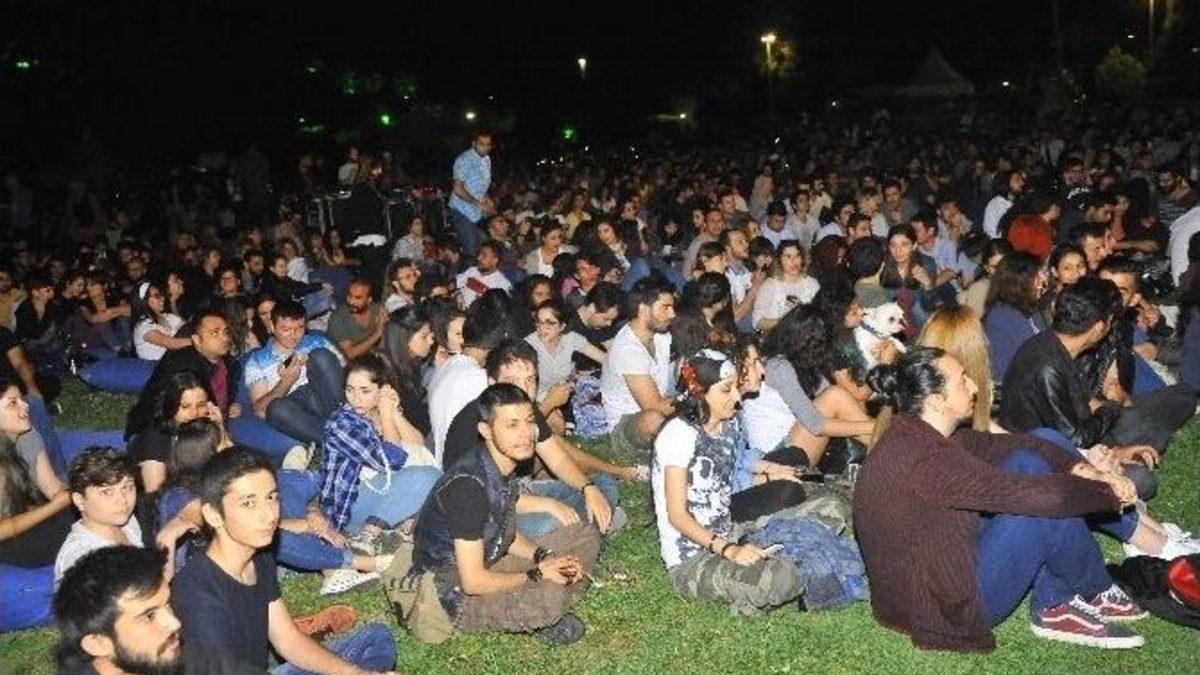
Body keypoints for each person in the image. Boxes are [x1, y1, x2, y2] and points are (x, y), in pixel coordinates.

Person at [857, 347, 1146, 651]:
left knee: (1028, 460)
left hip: (929, 575)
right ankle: (1088, 593)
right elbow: (1035, 496)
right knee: (1040, 508)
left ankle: (1062, 598)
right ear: (936, 401)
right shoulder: (929, 461)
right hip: (942, 610)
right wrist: (1108, 493)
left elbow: (1014, 445)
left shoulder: (917, 433)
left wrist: (1085, 470)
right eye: (962, 380)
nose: (974, 386)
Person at [171, 449, 398, 673]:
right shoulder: (197, 593)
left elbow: (287, 639)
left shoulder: (258, 556)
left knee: (377, 637)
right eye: (249, 503)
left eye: (271, 497)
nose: (269, 515)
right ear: (213, 515)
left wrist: (355, 673)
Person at [408, 383, 600, 644]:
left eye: (529, 422)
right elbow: (472, 582)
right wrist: (537, 574)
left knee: (585, 534)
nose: (525, 434)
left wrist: (544, 556)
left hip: (489, 561)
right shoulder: (468, 486)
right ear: (486, 431)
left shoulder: (502, 467)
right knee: (547, 596)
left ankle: (557, 588)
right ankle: (549, 604)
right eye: (512, 425)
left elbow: (504, 534)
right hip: (453, 594)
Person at [652, 349, 804, 611]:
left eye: (735, 387)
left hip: (730, 529)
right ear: (700, 392)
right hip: (691, 559)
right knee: (783, 578)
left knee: (830, 508)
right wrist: (729, 550)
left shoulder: (730, 423)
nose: (737, 397)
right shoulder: (679, 434)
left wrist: (774, 472)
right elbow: (677, 516)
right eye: (726, 389)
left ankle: (776, 561)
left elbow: (738, 467)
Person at [998, 278, 1176, 499]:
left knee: (1157, 434)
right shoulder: (1047, 368)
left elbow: (1082, 403)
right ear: (1099, 328)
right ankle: (1118, 465)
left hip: (1074, 431)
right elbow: (1076, 440)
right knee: (1142, 481)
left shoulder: (1056, 343)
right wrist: (1112, 406)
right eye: (1109, 321)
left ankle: (1121, 456)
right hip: (1044, 457)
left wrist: (1114, 448)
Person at [442, 340, 625, 539]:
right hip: (485, 510)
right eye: (513, 380)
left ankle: (588, 522)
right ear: (492, 382)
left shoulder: (525, 408)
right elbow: (484, 495)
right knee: (548, 522)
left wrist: (588, 488)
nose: (524, 388)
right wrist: (550, 505)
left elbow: (558, 460)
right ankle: (592, 522)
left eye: (530, 380)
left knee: (603, 483)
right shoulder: (475, 423)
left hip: (521, 490)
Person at [55, 546, 266, 675]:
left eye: (168, 604)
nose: (174, 623)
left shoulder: (173, 654)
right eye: (150, 616)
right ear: (98, 643)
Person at [321, 354, 441, 550]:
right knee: (428, 477)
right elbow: (391, 461)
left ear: (382, 389)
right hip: (348, 507)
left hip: (379, 492)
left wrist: (393, 411)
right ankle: (368, 535)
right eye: (350, 390)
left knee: (431, 475)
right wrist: (386, 413)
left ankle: (397, 527)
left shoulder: (377, 410)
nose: (356, 398)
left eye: (365, 391)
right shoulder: (341, 423)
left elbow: (418, 445)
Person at [759, 305, 874, 468]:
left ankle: (888, 449)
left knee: (839, 396)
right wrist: (873, 426)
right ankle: (890, 449)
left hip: (794, 438)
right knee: (835, 396)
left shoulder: (799, 361)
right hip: (776, 455)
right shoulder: (778, 367)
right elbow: (816, 425)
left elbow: (838, 399)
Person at [0, 380, 74, 632]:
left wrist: (81, 495)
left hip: (26, 523)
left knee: (87, 508)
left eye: (21, 399)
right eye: (12, 403)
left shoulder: (28, 436)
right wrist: (56, 507)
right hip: (6, 546)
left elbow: (54, 490)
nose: (24, 406)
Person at [244, 300, 345, 445]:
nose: (294, 335)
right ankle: (340, 441)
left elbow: (344, 377)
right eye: (286, 329)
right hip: (296, 410)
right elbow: (260, 410)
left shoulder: (318, 342)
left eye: (300, 328)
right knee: (276, 409)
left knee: (320, 356)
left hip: (327, 399)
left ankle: (346, 423)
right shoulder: (258, 360)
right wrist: (286, 381)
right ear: (272, 326)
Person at [599, 277, 676, 460]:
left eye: (672, 307)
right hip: (624, 429)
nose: (672, 314)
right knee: (653, 419)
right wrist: (694, 399)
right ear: (643, 309)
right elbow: (654, 407)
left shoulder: (661, 336)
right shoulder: (628, 349)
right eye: (665, 307)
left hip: (658, 408)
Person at [427, 303, 507, 463]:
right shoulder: (479, 378)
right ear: (492, 349)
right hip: (464, 465)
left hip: (446, 460)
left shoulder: (446, 366)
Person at [524, 299, 606, 404]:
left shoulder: (571, 338)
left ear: (562, 326)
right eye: (539, 322)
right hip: (539, 403)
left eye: (550, 323)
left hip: (565, 398)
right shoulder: (527, 346)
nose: (542, 328)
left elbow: (605, 359)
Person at [984, 252, 1048, 382]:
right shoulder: (1002, 316)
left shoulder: (1032, 310)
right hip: (1012, 386)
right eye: (1037, 278)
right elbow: (1038, 354)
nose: (1042, 284)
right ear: (1020, 282)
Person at [378, 304, 435, 436]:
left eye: (430, 335)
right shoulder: (383, 376)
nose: (431, 341)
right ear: (404, 338)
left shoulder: (410, 363)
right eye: (424, 336)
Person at [752, 240, 820, 331]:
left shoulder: (812, 284)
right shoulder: (770, 285)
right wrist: (785, 322)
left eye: (797, 255)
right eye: (788, 256)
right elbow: (757, 321)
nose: (794, 261)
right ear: (779, 260)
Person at [448, 130, 495, 257]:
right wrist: (478, 204)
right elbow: (457, 189)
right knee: (471, 250)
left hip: (476, 211)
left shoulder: (486, 159)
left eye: (488, 144)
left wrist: (487, 198)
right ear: (474, 143)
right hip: (461, 210)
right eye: (481, 144)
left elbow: (479, 186)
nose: (485, 147)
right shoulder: (464, 160)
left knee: (484, 247)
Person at [326, 279, 389, 360]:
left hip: (375, 357)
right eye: (349, 296)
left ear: (369, 300)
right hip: (348, 363)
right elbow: (350, 354)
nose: (351, 301)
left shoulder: (377, 310)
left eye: (357, 297)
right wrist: (378, 333)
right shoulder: (338, 318)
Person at [131, 281, 191, 361]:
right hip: (156, 365)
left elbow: (188, 328)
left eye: (161, 294)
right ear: (144, 300)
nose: (162, 298)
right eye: (157, 296)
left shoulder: (168, 317)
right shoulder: (143, 326)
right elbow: (173, 343)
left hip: (175, 360)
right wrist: (198, 341)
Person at [456, 240, 513, 307]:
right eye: (479, 254)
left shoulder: (503, 285)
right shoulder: (473, 270)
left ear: (495, 260)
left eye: (484, 255)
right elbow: (455, 284)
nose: (478, 258)